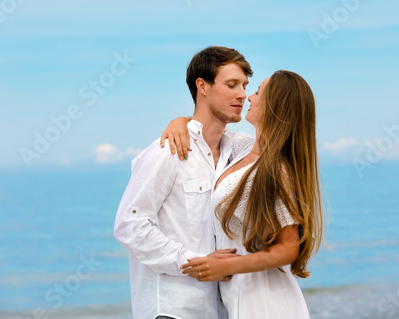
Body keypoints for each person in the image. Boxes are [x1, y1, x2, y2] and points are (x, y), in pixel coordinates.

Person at [113, 46, 255, 319]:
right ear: (202, 86)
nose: (242, 94)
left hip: (220, 309)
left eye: (245, 86)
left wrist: (182, 119)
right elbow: (129, 225)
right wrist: (194, 263)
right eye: (232, 84)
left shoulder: (236, 151)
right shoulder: (169, 150)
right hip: (172, 309)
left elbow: (274, 144)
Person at [168, 70, 324, 318]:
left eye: (258, 91)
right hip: (241, 298)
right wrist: (179, 122)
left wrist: (226, 265)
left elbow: (288, 249)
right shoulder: (242, 149)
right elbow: (205, 127)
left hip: (265, 302)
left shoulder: (276, 171)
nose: (248, 97)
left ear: (275, 104)